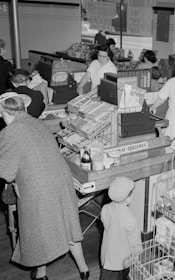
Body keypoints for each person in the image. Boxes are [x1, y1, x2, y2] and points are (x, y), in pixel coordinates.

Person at [0, 92, 89, 280]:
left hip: (38, 186)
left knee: (38, 230)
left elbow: (6, 172)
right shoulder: (38, 123)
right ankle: (84, 270)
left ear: (5, 113)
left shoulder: (10, 131)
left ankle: (41, 274)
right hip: (61, 180)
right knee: (68, 225)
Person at [100, 176, 141, 280]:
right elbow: (135, 241)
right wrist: (137, 254)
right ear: (128, 198)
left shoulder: (105, 208)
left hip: (107, 256)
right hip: (122, 259)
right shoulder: (131, 218)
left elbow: (105, 223)